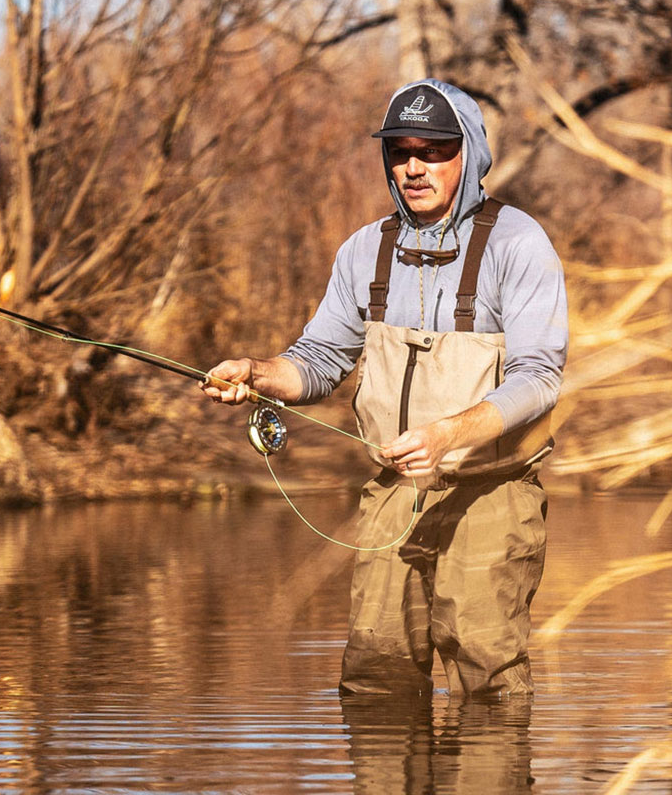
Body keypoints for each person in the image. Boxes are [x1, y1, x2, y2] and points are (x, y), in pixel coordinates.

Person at [202, 78, 568, 696]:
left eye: (434, 150)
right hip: (391, 497)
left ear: (469, 154)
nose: (414, 166)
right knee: (375, 680)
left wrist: (449, 434)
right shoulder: (364, 251)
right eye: (400, 151)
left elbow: (539, 380)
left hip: (490, 494)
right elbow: (317, 360)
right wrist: (259, 374)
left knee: (488, 686)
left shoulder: (517, 244)